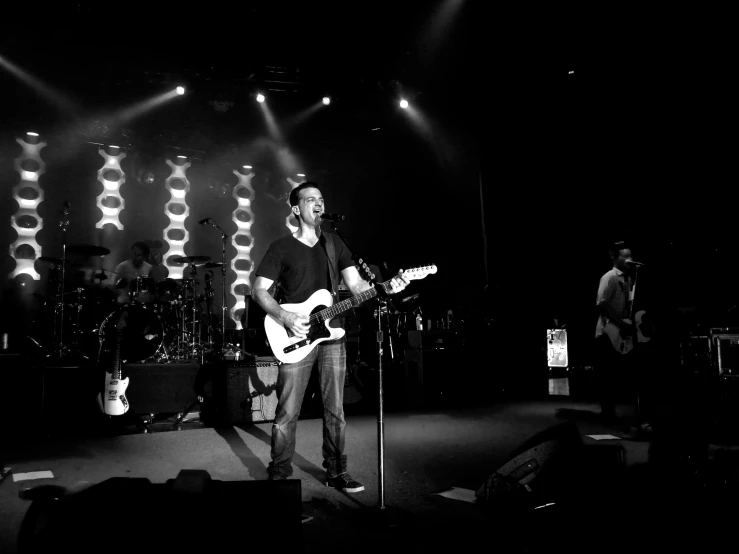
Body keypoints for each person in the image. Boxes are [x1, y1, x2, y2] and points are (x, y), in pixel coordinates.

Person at [252, 182, 410, 492]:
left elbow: (357, 288)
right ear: (296, 209)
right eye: (310, 199)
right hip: (294, 335)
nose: (318, 203)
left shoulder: (335, 243)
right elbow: (259, 290)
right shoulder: (281, 247)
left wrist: (387, 287)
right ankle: (280, 471)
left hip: (333, 334)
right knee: (287, 410)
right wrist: (285, 316)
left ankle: (337, 471)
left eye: (321, 199)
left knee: (335, 408)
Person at [594, 240, 647, 427]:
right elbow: (602, 302)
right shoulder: (609, 277)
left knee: (622, 375)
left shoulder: (629, 278)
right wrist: (620, 323)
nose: (630, 259)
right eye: (626, 256)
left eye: (631, 255)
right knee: (608, 376)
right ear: (615, 258)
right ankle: (607, 415)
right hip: (608, 332)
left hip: (621, 331)